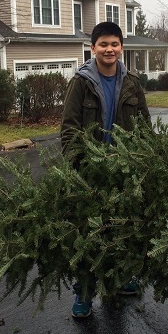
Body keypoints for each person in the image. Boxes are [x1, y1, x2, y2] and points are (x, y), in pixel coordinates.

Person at [60, 21, 151, 318]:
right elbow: (69, 129)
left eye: (114, 44)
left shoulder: (132, 83)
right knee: (88, 232)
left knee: (122, 228)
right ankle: (84, 291)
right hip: (91, 172)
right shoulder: (81, 82)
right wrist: (79, 167)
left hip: (125, 170)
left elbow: (145, 126)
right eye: (103, 44)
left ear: (121, 47)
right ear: (93, 48)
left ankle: (121, 277)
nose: (109, 49)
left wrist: (148, 159)